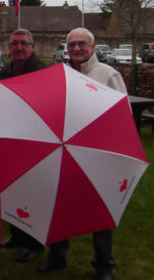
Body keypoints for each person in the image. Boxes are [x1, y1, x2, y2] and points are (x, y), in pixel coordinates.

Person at [35, 28, 126, 280]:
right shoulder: (61, 74)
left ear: (93, 47)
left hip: (98, 152)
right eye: (71, 44)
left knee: (99, 210)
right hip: (63, 149)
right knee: (60, 206)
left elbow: (122, 116)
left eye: (81, 44)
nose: (76, 48)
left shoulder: (108, 75)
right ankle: (57, 255)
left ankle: (104, 264)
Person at [0, 29, 47, 263]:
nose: (18, 47)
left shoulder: (42, 70)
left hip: (34, 140)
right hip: (11, 138)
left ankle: (34, 243)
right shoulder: (8, 69)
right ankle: (16, 235)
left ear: (32, 46)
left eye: (23, 44)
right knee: (13, 190)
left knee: (33, 195)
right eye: (14, 43)